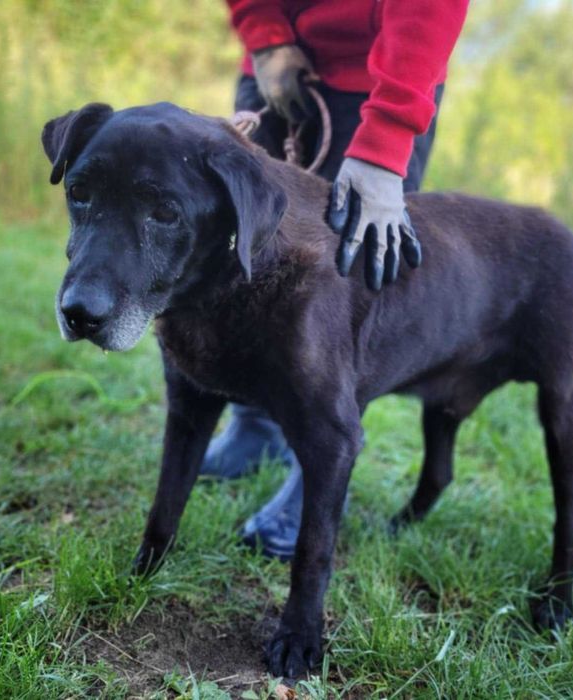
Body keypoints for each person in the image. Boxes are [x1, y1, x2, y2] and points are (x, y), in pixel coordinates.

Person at [202, 0, 469, 561]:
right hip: (273, 68)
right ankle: (255, 430)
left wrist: (389, 135)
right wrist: (266, 37)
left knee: (346, 282)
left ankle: (315, 470)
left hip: (383, 78)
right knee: (244, 252)